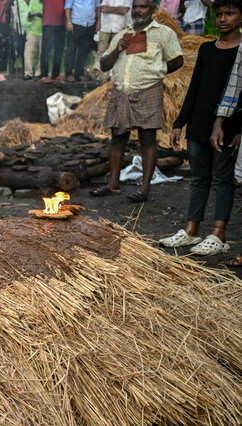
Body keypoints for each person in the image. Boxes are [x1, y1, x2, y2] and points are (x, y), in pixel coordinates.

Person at [160, 0, 241, 256]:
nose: (223, 19)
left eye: (230, 13)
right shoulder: (207, 49)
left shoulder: (241, 52)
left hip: (227, 125)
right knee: (199, 179)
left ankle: (218, 233)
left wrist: (237, 128)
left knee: (223, 179)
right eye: (219, 14)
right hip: (199, 123)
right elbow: (194, 88)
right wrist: (179, 123)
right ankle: (191, 230)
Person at [89, 0, 183, 203]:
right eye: (136, 7)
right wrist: (117, 49)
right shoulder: (123, 32)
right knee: (117, 137)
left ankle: (144, 189)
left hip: (149, 91)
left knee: (147, 139)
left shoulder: (163, 33)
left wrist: (155, 72)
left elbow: (178, 60)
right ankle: (113, 184)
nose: (138, 10)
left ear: (152, 9)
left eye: (143, 6)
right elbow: (104, 65)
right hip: (121, 91)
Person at [64, 0, 98, 81]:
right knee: (71, 50)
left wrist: (99, 21)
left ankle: (79, 74)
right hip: (76, 24)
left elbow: (98, 7)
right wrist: (69, 22)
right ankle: (68, 74)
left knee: (84, 50)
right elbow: (68, 7)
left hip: (89, 24)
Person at [97, 0, 131, 70]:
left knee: (116, 50)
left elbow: (125, 10)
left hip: (119, 28)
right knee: (101, 50)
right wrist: (119, 9)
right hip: (105, 27)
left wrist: (109, 9)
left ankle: (112, 72)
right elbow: (103, 8)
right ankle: (98, 71)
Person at [38, 0, 67, 81]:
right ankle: (44, 74)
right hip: (48, 23)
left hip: (61, 23)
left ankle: (55, 74)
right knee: (46, 50)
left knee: (59, 51)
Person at [21, 0, 44, 78]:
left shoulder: (49, 3)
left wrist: (39, 14)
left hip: (44, 32)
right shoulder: (35, 2)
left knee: (42, 54)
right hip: (33, 31)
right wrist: (31, 15)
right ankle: (28, 73)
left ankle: (39, 73)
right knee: (28, 52)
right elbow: (28, 18)